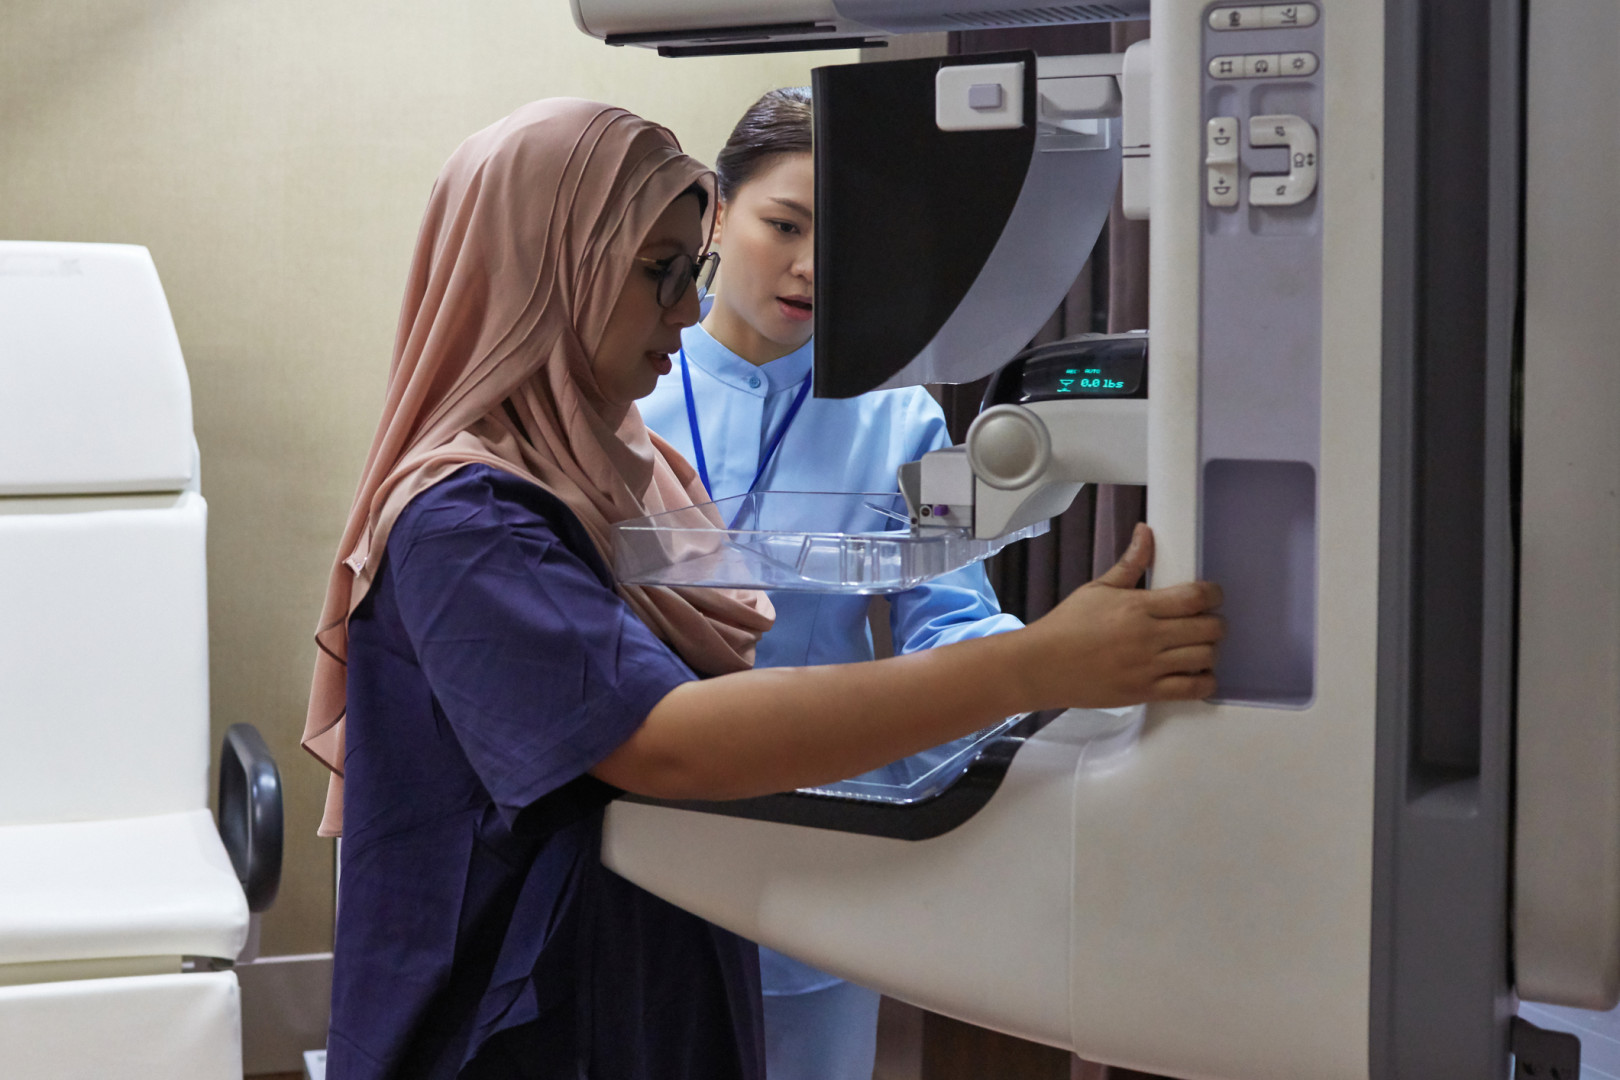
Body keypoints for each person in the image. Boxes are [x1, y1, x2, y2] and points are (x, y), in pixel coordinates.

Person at [303, 98, 1223, 1080]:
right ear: (547, 266)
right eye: (662, 270)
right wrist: (1039, 664)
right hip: (530, 994)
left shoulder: (639, 452)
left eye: (682, 271)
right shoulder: (476, 518)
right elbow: (666, 742)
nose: (683, 307)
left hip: (753, 884)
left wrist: (1053, 704)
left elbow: (947, 613)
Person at [637, 86, 1018, 1080]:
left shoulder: (912, 418)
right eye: (784, 224)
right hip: (645, 817)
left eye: (842, 236)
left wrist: (1040, 694)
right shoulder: (623, 392)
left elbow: (957, 614)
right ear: (717, 210)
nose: (811, 265)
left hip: (824, 827)